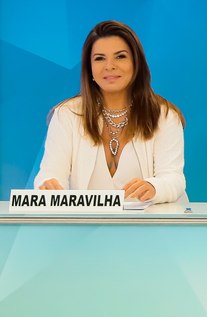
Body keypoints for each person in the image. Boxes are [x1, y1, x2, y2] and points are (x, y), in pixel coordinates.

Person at [35, 20, 187, 204]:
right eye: (99, 58)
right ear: (89, 68)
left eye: (120, 56)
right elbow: (50, 174)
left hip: (151, 227)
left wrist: (155, 187)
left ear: (136, 63)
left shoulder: (164, 116)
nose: (109, 66)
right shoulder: (66, 114)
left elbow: (174, 178)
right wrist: (48, 185)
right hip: (86, 229)